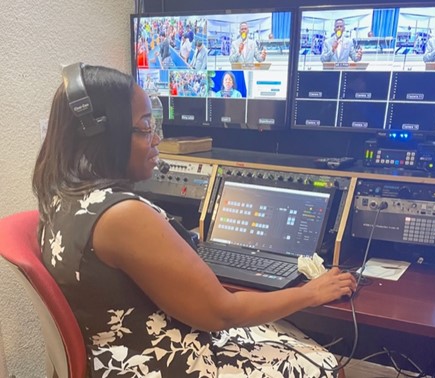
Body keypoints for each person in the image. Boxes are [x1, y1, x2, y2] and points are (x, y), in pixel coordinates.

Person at [33, 63, 356, 377]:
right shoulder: (123, 216)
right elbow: (220, 313)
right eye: (146, 127)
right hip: (160, 360)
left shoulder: (62, 197)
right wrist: (311, 293)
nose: (157, 139)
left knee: (280, 332)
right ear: (103, 136)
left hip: (113, 353)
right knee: (322, 364)